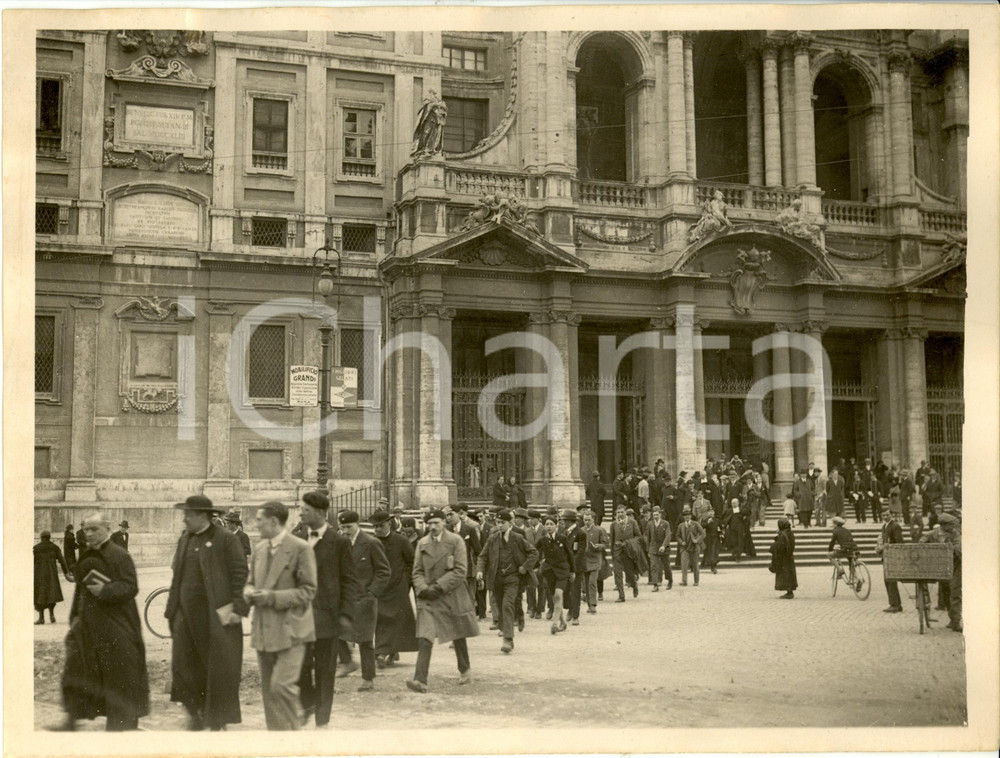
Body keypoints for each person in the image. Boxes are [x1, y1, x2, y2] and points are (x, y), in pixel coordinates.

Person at [165, 495, 249, 731]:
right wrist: (171, 611)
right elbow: (177, 577)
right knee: (184, 666)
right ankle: (196, 712)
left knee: (218, 669)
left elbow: (240, 573)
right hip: (185, 616)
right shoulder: (185, 539)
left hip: (216, 617)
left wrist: (238, 608)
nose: (184, 519)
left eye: (188, 515)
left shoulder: (225, 539)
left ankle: (218, 719)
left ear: (202, 516)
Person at [59, 512, 149, 731]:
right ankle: (73, 717)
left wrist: (106, 590)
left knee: (119, 673)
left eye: (93, 529)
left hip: (116, 623)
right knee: (77, 667)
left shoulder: (120, 556)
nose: (88, 534)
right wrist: (74, 618)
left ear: (107, 530)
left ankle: (121, 724)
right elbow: (80, 591)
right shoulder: (86, 556)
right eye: (86, 529)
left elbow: (131, 586)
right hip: (87, 623)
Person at [245, 501, 317, 731]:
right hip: (264, 631)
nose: (256, 524)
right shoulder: (259, 549)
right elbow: (250, 582)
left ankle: (293, 740)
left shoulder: (300, 548)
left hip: (291, 631)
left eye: (259, 520)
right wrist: (247, 591)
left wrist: (271, 597)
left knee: (280, 687)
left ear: (274, 521)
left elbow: (308, 591)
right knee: (269, 694)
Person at [291, 491, 360, 729]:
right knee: (298, 666)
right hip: (299, 615)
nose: (300, 512)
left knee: (324, 670)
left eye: (305, 510)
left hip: (327, 616)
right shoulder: (296, 537)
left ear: (320, 513)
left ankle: (322, 720)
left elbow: (349, 580)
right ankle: (308, 702)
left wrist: (346, 614)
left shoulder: (338, 541)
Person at [406, 509, 479, 693]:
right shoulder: (422, 543)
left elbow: (461, 570)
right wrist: (423, 588)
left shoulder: (456, 541)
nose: (432, 527)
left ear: (443, 523)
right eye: (429, 524)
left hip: (450, 594)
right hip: (429, 597)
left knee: (458, 632)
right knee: (425, 637)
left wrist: (439, 586)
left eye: (436, 523)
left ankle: (465, 670)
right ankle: (420, 680)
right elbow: (417, 571)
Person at [336, 509, 390, 692]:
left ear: (357, 524)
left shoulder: (371, 543)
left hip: (365, 599)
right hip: (345, 599)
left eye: (348, 527)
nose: (345, 531)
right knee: (335, 630)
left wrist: (372, 593)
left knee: (365, 640)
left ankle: (368, 679)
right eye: (342, 527)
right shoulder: (340, 543)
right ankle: (347, 662)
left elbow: (384, 571)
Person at [476, 509, 538, 654]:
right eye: (497, 522)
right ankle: (509, 627)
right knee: (499, 605)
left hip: (513, 578)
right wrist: (479, 571)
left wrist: (525, 567)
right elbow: (482, 556)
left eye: (502, 523)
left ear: (510, 523)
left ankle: (508, 639)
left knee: (507, 605)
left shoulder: (517, 538)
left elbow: (533, 552)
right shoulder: (492, 539)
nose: (499, 525)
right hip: (496, 578)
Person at [371, 509, 418, 669]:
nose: (378, 529)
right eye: (375, 526)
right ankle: (383, 651)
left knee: (396, 620)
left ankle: (385, 652)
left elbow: (412, 562)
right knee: (380, 619)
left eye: (381, 526)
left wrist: (407, 581)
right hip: (379, 587)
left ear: (389, 524)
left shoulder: (401, 541)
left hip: (398, 586)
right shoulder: (372, 542)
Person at [536, 514, 575, 635]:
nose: (548, 527)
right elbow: (534, 551)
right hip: (550, 572)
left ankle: (554, 623)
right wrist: (538, 563)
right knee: (554, 597)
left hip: (563, 571)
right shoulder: (542, 540)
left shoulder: (562, 538)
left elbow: (570, 555)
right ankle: (562, 622)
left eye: (551, 524)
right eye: (546, 524)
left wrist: (572, 571)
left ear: (556, 525)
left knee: (558, 595)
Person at [34, 530, 71, 625]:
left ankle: (41, 618)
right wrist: (67, 573)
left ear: (41, 538)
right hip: (52, 574)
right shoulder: (55, 547)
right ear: (49, 537)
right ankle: (52, 615)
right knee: (51, 594)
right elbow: (62, 561)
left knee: (39, 595)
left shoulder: (36, 548)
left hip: (39, 575)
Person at [609, 507, 643, 602]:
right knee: (617, 573)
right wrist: (612, 551)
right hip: (617, 551)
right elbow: (612, 538)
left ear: (625, 512)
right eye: (618, 512)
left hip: (629, 551)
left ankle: (634, 585)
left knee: (630, 572)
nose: (620, 514)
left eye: (622, 512)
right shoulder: (614, 524)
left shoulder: (632, 522)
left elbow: (638, 536)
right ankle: (621, 595)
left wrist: (627, 543)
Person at [560, 508, 587, 625]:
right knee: (565, 591)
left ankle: (575, 616)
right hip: (564, 567)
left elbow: (580, 552)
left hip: (576, 567)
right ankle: (570, 608)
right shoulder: (563, 532)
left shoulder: (580, 533)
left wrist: (571, 566)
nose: (563, 522)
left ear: (570, 521)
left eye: (564, 520)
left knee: (575, 591)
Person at [580, 508, 608, 613]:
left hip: (595, 560)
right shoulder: (581, 530)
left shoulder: (599, 530)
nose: (586, 522)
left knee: (592, 582)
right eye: (585, 520)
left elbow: (605, 543)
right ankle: (588, 602)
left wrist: (599, 546)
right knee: (585, 583)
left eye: (589, 520)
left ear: (593, 520)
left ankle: (592, 604)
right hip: (584, 560)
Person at [877, 510, 905, 613]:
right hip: (887, 557)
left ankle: (895, 604)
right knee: (887, 581)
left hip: (893, 557)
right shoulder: (884, 526)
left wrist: (886, 548)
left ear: (891, 515)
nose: (885, 516)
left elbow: (899, 543)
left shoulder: (895, 526)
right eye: (883, 515)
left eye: (887, 515)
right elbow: (885, 541)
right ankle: (893, 603)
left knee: (891, 581)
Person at [644, 506, 672, 591]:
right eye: (654, 515)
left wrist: (664, 545)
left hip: (664, 548)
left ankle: (670, 580)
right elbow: (646, 535)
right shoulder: (650, 524)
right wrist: (648, 548)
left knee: (666, 566)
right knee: (654, 566)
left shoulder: (665, 523)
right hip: (653, 548)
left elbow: (668, 535)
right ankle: (655, 584)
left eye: (657, 514)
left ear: (660, 514)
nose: (655, 516)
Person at [676, 506, 705, 586]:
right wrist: (681, 542)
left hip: (694, 547)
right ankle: (684, 581)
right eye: (685, 515)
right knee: (684, 565)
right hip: (684, 548)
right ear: (683, 517)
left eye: (688, 515)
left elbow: (703, 533)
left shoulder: (696, 524)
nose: (687, 517)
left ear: (691, 516)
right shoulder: (681, 525)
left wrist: (697, 540)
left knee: (695, 564)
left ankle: (696, 581)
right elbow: (677, 536)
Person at [769, 518, 797, 599]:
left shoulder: (783, 535)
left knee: (785, 575)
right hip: (789, 557)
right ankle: (790, 590)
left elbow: (779, 546)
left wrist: (773, 546)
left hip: (783, 558)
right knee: (789, 574)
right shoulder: (790, 533)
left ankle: (789, 592)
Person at [826, 516, 860, 584]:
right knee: (851, 565)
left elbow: (832, 542)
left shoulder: (835, 530)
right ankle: (858, 579)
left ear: (835, 523)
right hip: (854, 549)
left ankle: (839, 570)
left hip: (845, 550)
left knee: (829, 555)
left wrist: (830, 550)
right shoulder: (847, 530)